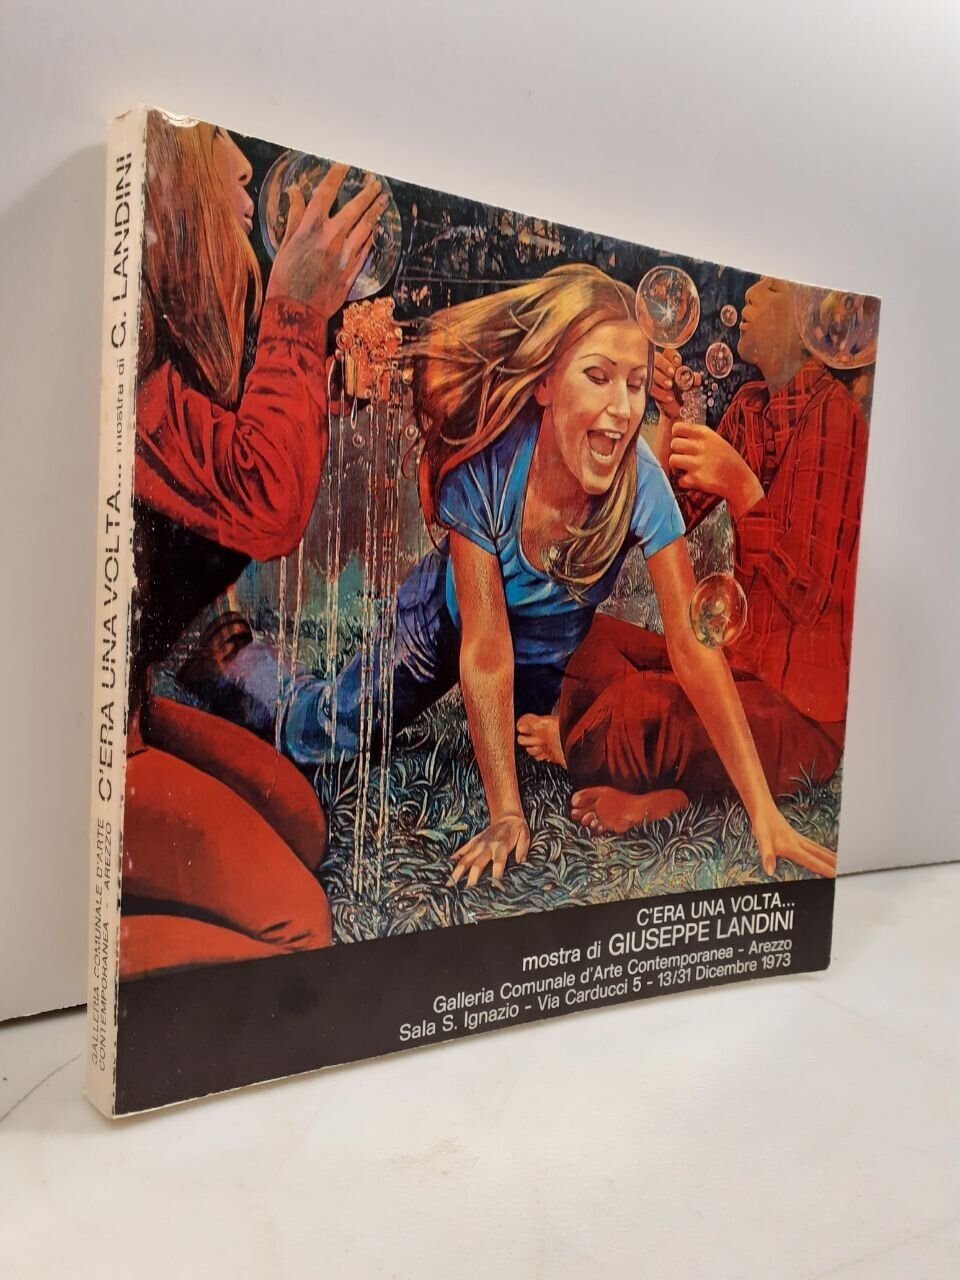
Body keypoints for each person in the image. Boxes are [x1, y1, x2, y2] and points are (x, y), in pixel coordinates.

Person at [197, 265, 835, 887]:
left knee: (639, 729)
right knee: (325, 729)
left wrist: (764, 813)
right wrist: (507, 813)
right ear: (545, 384)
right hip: (442, 630)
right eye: (598, 376)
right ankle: (237, 665)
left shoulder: (641, 480)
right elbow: (485, 648)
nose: (622, 408)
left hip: (553, 659)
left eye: (636, 383)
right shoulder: (488, 463)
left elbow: (693, 647)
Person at [121, 111, 388, 978]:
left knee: (299, 822)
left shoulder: (164, 359)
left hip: (125, 708)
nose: (242, 164)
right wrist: (295, 319)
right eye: (213, 140)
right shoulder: (128, 375)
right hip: (87, 745)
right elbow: (262, 499)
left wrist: (321, 375)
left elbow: (233, 443)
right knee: (297, 928)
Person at [552, 275, 868, 846]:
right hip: (737, 668)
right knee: (581, 638)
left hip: (803, 713)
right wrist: (671, 418)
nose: (749, 297)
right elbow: (671, 512)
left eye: (769, 292)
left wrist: (743, 489)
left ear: (812, 325)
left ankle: (656, 785)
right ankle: (636, 761)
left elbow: (809, 597)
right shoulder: (750, 407)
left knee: (636, 712)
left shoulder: (837, 418)